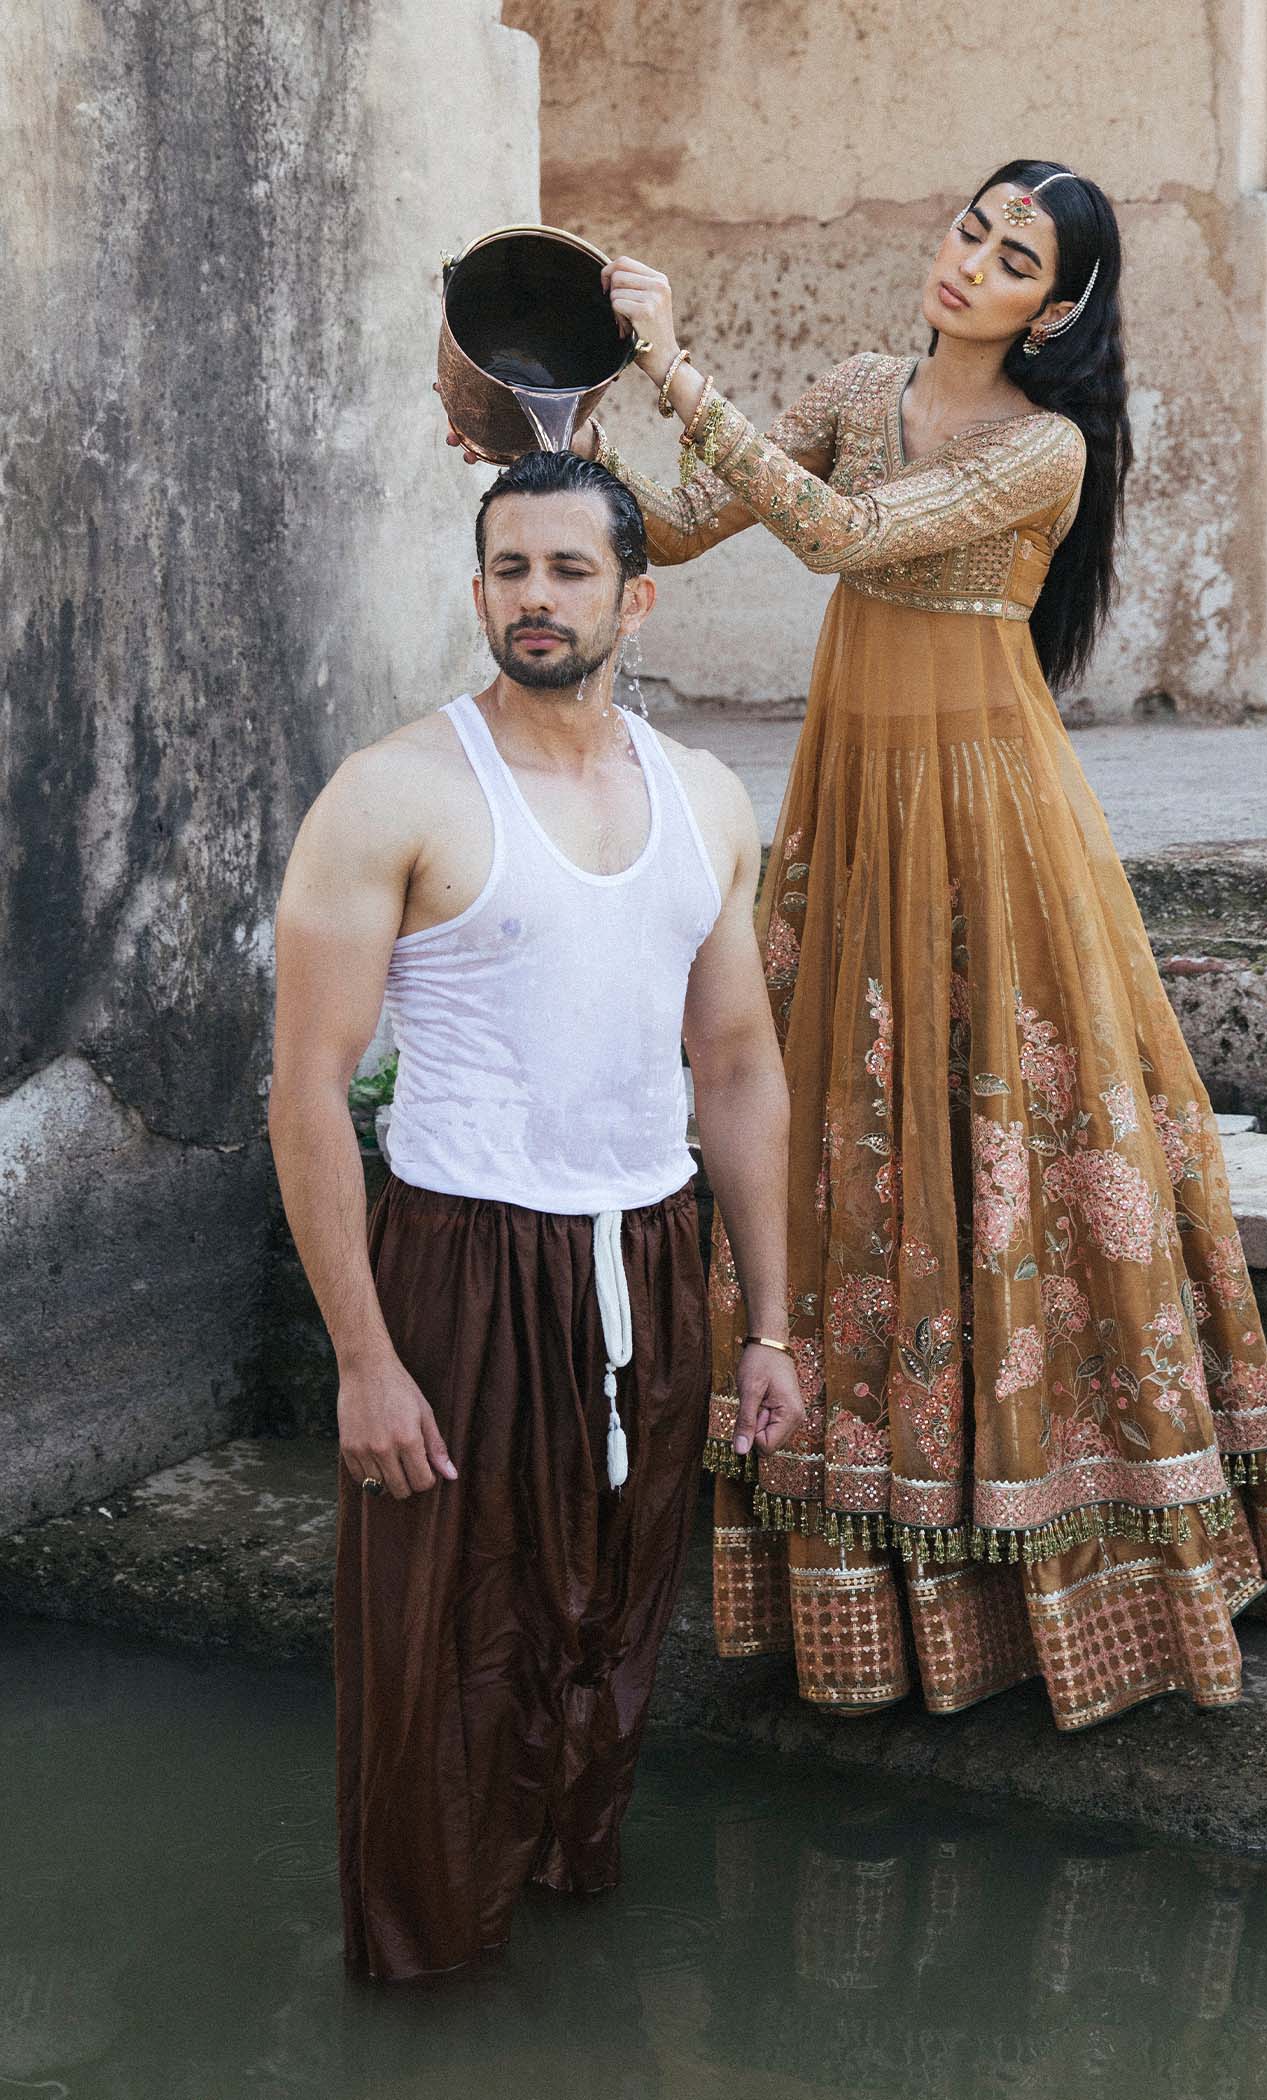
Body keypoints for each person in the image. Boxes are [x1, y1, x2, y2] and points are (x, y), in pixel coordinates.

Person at [546, 159, 1267, 1730]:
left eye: (1015, 257)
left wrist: (678, 366)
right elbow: (680, 529)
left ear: (1060, 308)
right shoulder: (855, 388)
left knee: (1013, 1134)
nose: (971, 263)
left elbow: (838, 535)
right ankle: (864, 1568)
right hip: (853, 802)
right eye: (972, 228)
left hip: (988, 817)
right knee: (851, 1137)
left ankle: (1063, 1563)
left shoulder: (1046, 449)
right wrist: (572, 422)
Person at [268, 448, 804, 1982]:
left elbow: (737, 1064)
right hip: (461, 1262)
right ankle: (426, 1978)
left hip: (648, 1252)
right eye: (510, 569)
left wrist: (769, 1326)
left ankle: (565, 1940)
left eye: (571, 570)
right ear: (480, 589)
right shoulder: (395, 793)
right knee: (442, 1651)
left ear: (636, 599)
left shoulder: (704, 798)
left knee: (607, 1626)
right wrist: (364, 1360)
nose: (537, 598)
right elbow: (306, 1091)